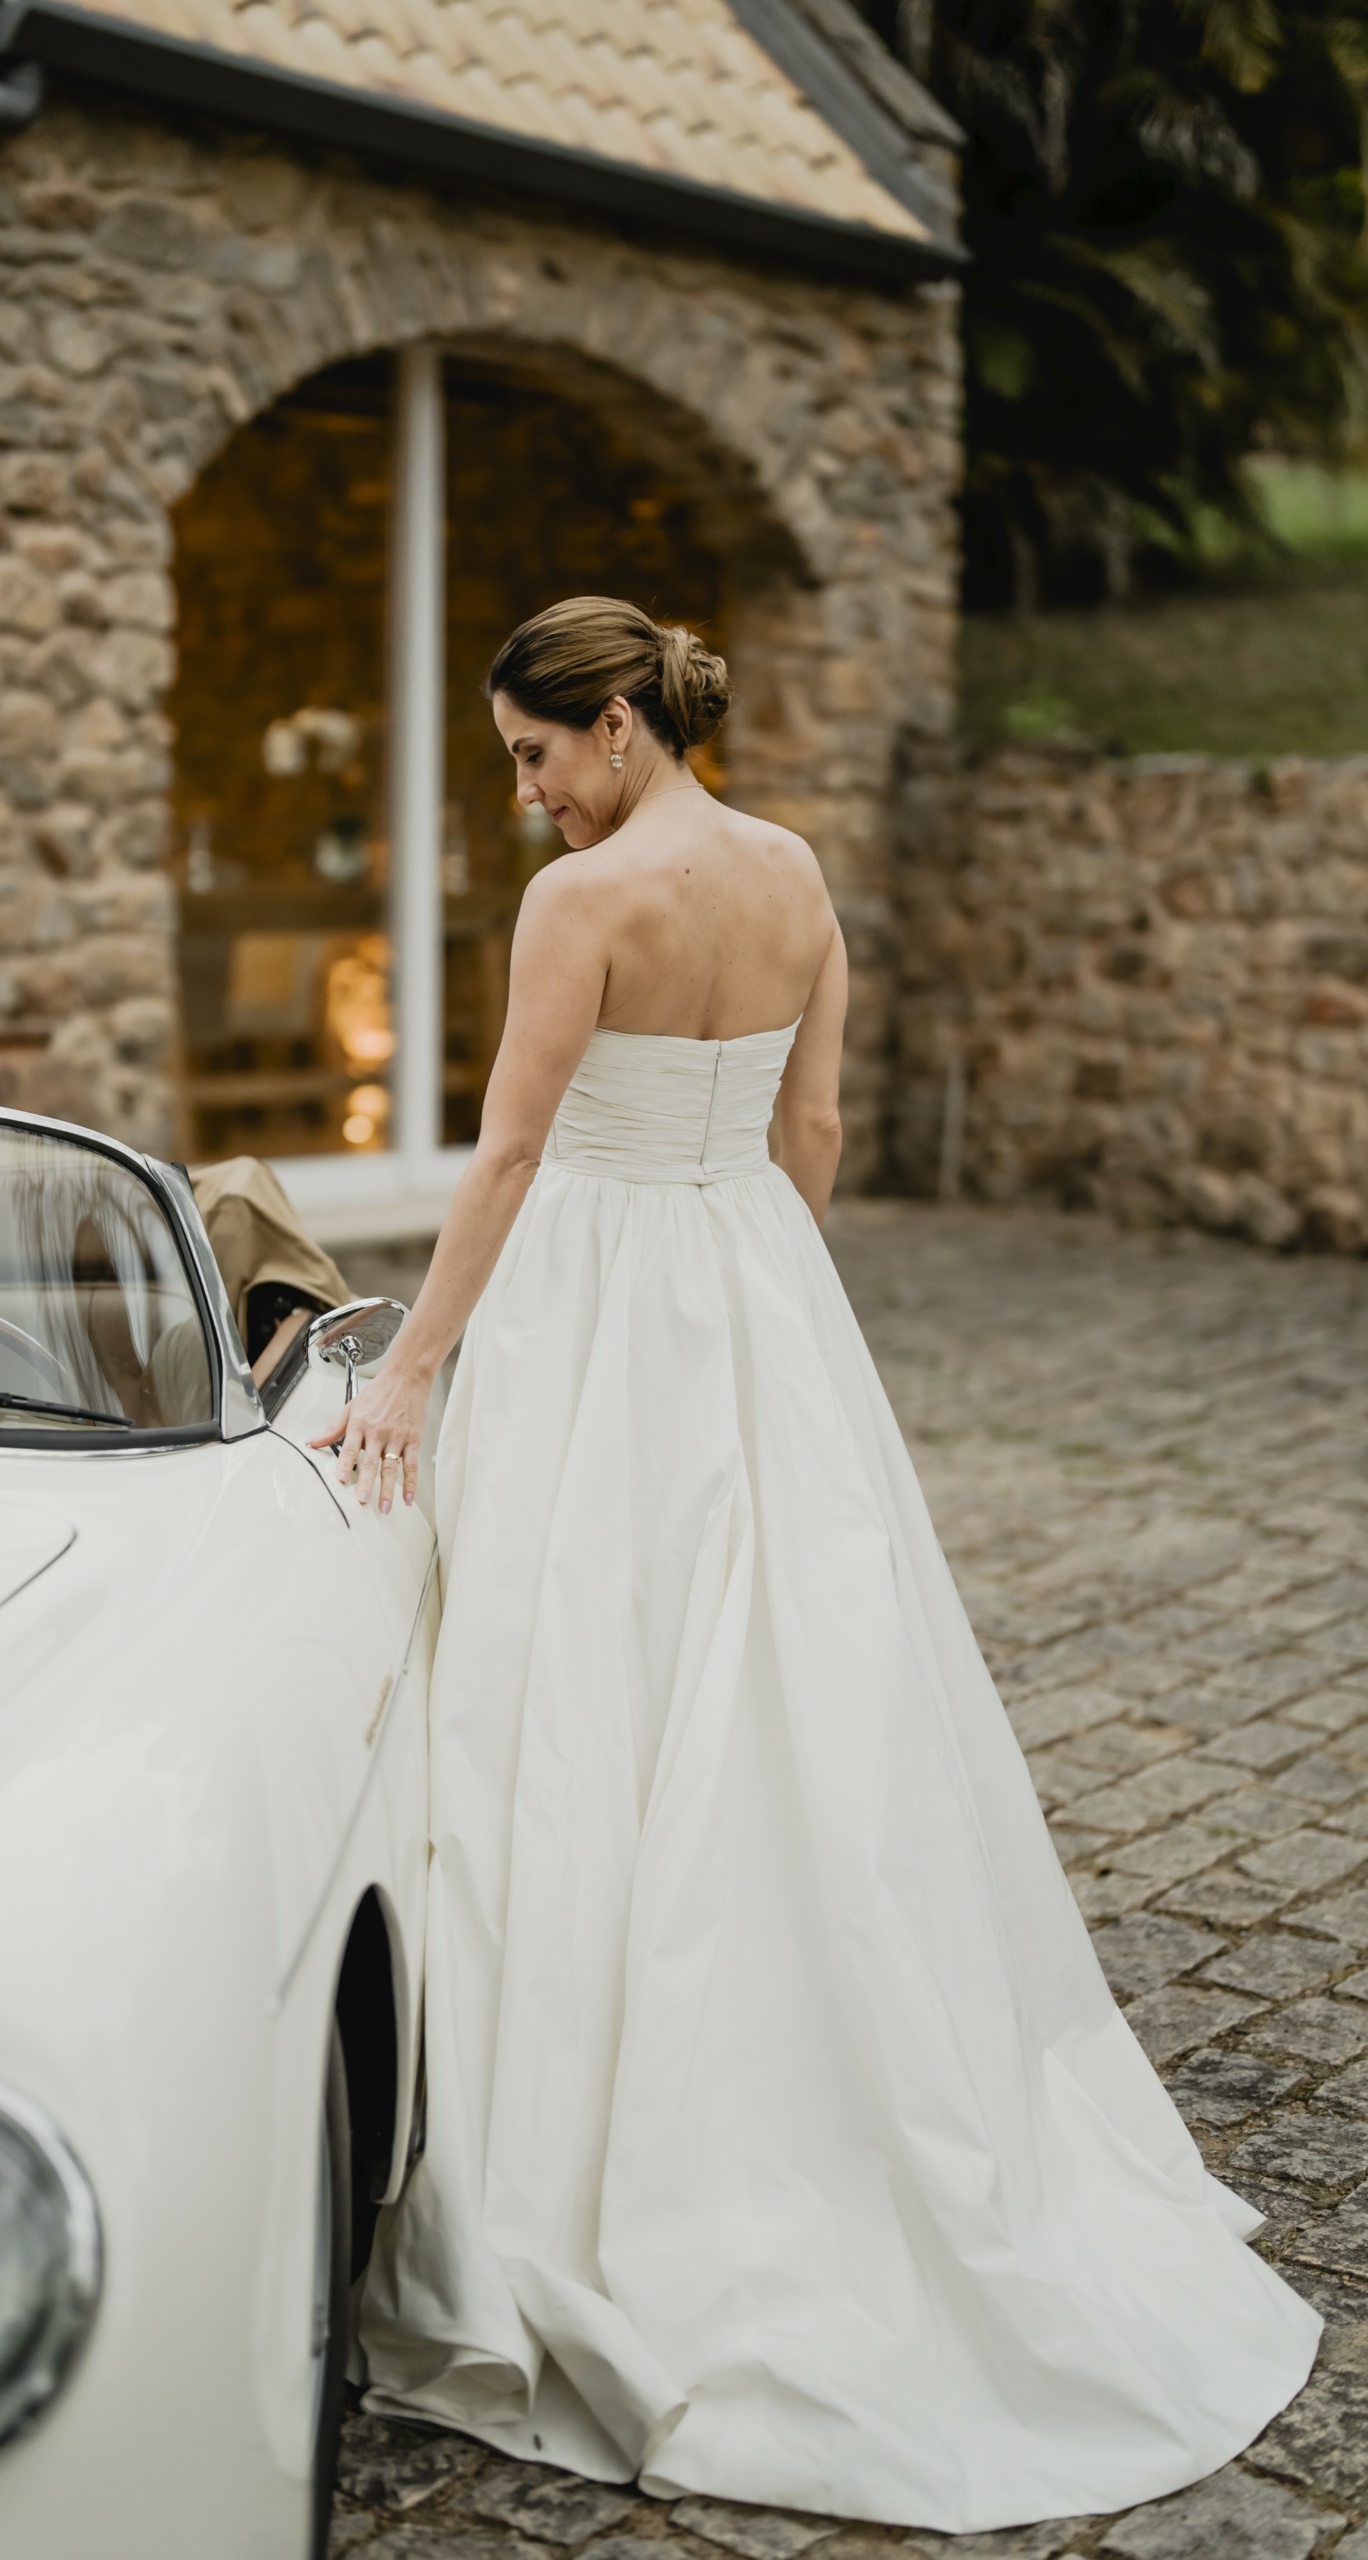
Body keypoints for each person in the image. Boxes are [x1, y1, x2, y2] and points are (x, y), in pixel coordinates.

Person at [312, 596, 1319, 2534]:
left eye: (536, 753)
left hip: (597, 1295)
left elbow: (511, 1155)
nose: (525, 795)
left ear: (617, 724)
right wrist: (755, 1290)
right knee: (781, 1681)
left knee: (574, 1677)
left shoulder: (586, 898)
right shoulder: (791, 873)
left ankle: (584, 2155)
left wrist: (411, 1367)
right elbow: (818, 1122)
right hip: (752, 1289)